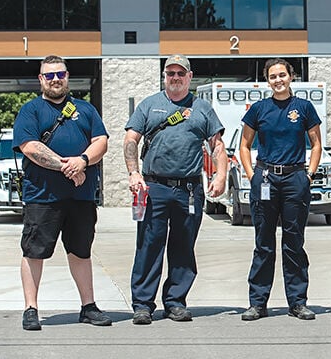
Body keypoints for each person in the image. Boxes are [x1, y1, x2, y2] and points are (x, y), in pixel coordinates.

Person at [123, 54, 227, 325]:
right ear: (164, 76)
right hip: (153, 187)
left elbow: (216, 145)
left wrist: (220, 176)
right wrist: (134, 172)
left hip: (189, 190)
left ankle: (176, 302)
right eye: (170, 73)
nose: (176, 78)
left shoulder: (203, 108)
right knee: (148, 246)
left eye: (181, 73)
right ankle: (143, 304)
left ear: (190, 77)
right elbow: (131, 139)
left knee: (183, 247)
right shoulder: (149, 105)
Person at [13, 55, 110, 331]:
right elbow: (30, 147)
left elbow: (100, 142)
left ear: (67, 76)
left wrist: (82, 160)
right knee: (34, 251)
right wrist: (68, 167)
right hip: (42, 197)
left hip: (81, 197)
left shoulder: (86, 109)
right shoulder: (30, 110)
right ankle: (31, 309)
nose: (56, 80)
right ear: (41, 80)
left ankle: (88, 307)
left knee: (81, 251)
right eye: (49, 75)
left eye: (60, 74)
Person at [239, 58, 322, 322]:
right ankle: (257, 303)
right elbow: (244, 144)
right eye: (273, 76)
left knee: (293, 242)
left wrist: (308, 175)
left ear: (291, 77)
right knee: (263, 244)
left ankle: (297, 302)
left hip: (295, 179)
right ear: (268, 80)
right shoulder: (258, 109)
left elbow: (316, 143)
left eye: (282, 75)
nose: (278, 80)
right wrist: (253, 175)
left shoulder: (304, 108)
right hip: (265, 178)